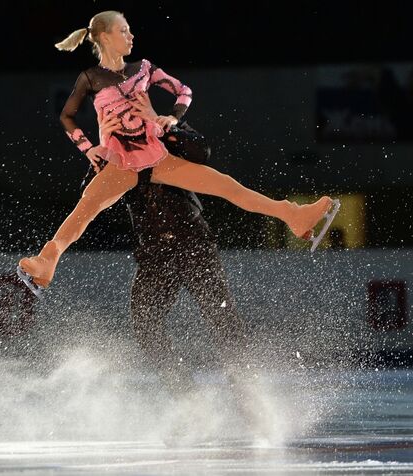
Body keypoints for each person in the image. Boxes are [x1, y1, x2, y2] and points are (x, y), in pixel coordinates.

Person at [17, 10, 340, 297]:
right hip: (120, 164)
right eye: (124, 30)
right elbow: (66, 116)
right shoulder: (90, 78)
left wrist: (171, 117)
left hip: (158, 158)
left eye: (129, 30)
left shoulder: (144, 68)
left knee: (227, 185)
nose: (131, 36)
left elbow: (183, 91)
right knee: (83, 212)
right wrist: (87, 148)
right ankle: (47, 261)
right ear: (104, 37)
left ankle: (294, 216)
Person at [81, 92, 248, 392]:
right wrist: (100, 160)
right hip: (153, 250)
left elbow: (201, 152)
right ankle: (183, 392)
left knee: (221, 315)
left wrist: (168, 125)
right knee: (144, 318)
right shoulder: (113, 151)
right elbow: (90, 195)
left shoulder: (163, 131)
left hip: (192, 239)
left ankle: (247, 387)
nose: (126, 118)